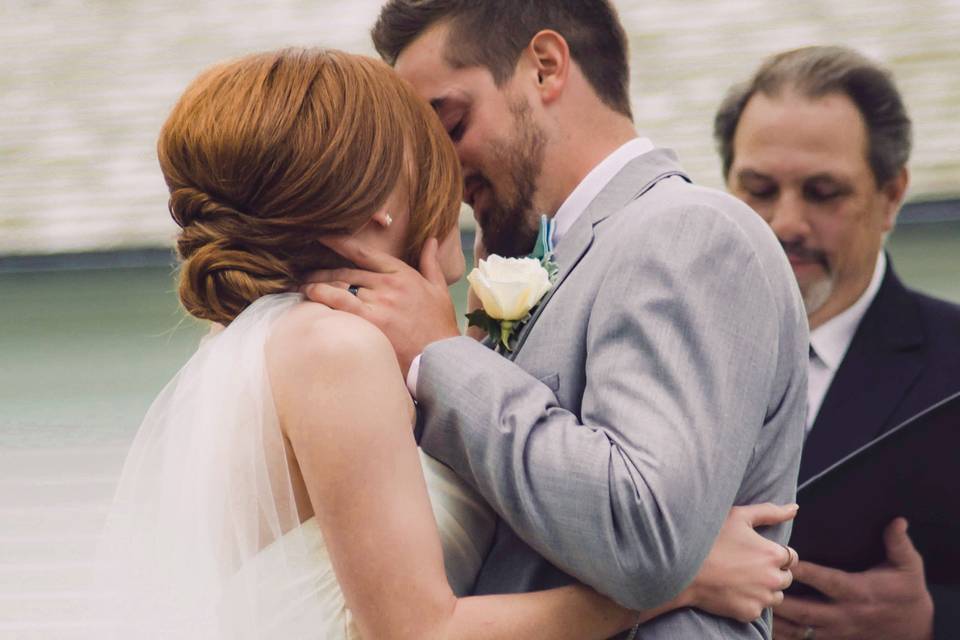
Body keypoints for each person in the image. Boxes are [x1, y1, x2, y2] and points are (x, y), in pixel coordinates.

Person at [90, 48, 798, 640]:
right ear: (381, 201)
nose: (455, 184)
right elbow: (421, 632)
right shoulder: (334, 350)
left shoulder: (283, 341)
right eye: (430, 152)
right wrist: (672, 583)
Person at [302, 2, 809, 638]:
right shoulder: (544, 259)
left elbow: (643, 533)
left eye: (452, 126)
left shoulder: (688, 231)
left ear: (545, 68)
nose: (443, 175)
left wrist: (444, 358)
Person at [715, 45, 960, 639]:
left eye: (823, 192)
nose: (786, 223)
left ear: (892, 196)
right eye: (759, 189)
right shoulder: (663, 348)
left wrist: (931, 623)